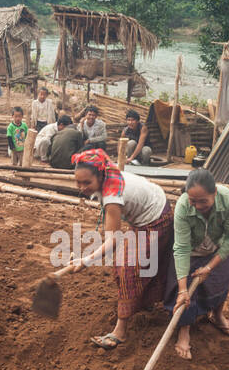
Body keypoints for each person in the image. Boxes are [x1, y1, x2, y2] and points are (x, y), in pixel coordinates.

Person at [71, 148, 176, 350]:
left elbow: (113, 242)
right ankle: (144, 302)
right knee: (123, 264)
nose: (82, 187)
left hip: (156, 218)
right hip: (148, 209)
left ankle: (120, 330)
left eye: (87, 183)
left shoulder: (112, 197)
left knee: (130, 269)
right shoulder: (108, 173)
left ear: (100, 177)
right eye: (78, 182)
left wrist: (85, 261)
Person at [169, 169, 229, 359]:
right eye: (193, 200)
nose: (197, 205)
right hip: (191, 250)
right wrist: (183, 290)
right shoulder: (183, 206)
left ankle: (217, 316)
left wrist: (210, 267)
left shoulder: (228, 200)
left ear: (214, 193)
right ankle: (184, 330)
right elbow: (182, 248)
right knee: (186, 294)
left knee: (220, 283)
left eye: (203, 201)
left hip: (218, 248)